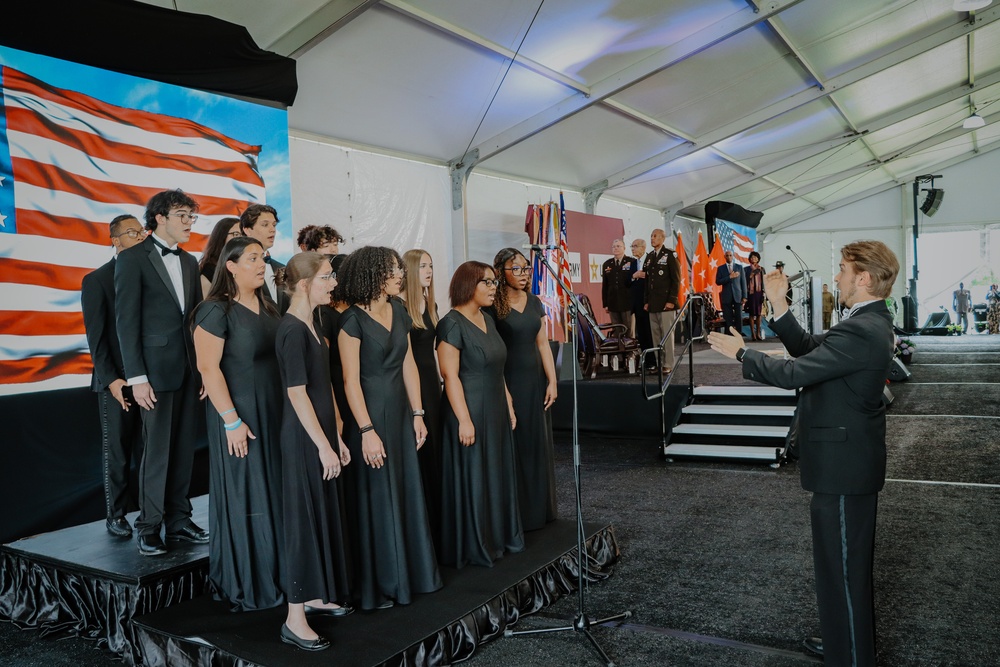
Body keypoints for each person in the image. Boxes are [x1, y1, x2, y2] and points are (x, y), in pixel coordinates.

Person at [708, 240, 900, 667]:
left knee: (844, 571)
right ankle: (842, 642)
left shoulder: (862, 328)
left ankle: (850, 656)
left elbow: (795, 372)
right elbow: (812, 350)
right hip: (845, 465)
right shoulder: (866, 323)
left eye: (844, 270)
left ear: (863, 278)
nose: (837, 277)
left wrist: (742, 353)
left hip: (845, 469)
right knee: (840, 570)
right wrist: (779, 306)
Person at [338, 246, 442, 610]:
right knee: (379, 499)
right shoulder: (350, 321)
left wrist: (418, 413)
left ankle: (412, 574)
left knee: (405, 491)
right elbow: (350, 382)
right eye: (394, 270)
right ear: (373, 275)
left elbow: (409, 363)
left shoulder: (398, 309)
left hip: (400, 414)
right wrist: (366, 430)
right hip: (370, 417)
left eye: (400, 269)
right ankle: (381, 583)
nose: (401, 275)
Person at [192, 236, 285, 611]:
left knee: (274, 492)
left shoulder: (269, 306)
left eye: (262, 257)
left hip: (274, 411)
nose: (262, 264)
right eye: (252, 258)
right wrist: (231, 421)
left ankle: (283, 576)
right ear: (230, 266)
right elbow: (207, 368)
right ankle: (251, 580)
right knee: (249, 492)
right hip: (240, 415)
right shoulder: (214, 310)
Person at [115, 189, 207, 556]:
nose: (188, 223)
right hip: (152, 374)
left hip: (188, 370)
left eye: (191, 217)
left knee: (184, 449)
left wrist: (202, 369)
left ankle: (179, 520)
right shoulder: (133, 259)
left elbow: (196, 320)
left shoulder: (188, 262)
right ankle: (149, 524)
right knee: (157, 452)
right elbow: (126, 322)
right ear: (160, 218)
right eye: (183, 215)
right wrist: (136, 377)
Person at [275, 252, 354, 651]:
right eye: (326, 277)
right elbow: (296, 393)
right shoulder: (290, 329)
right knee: (302, 524)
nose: (333, 283)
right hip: (303, 440)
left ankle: (314, 595)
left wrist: (336, 437)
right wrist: (322, 445)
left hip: (320, 436)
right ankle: (294, 619)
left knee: (320, 515)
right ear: (304, 284)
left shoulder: (314, 321)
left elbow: (323, 388)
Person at [437, 261, 524, 567]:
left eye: (494, 282)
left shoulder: (487, 318)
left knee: (495, 472)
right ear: (467, 285)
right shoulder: (450, 323)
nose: (493, 288)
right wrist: (463, 419)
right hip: (469, 407)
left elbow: (498, 369)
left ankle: (498, 537)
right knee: (474, 475)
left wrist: (509, 404)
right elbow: (450, 377)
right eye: (486, 283)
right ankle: (476, 544)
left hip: (495, 406)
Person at [81, 214, 146, 538]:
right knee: (118, 452)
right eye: (132, 233)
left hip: (147, 379)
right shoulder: (97, 280)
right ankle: (117, 515)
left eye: (142, 232)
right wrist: (113, 380)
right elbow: (97, 339)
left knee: (149, 452)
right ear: (116, 240)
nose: (140, 237)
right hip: (116, 382)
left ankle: (151, 514)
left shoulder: (150, 277)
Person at [491, 248, 558, 532]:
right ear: (501, 272)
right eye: (515, 269)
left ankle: (540, 510)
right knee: (516, 446)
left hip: (535, 380)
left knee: (536, 443)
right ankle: (519, 514)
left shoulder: (533, 301)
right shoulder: (493, 305)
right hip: (509, 380)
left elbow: (542, 343)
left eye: (525, 268)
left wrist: (553, 380)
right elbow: (493, 351)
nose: (522, 274)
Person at [400, 248, 444, 551]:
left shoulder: (431, 305)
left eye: (431, 265)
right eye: (423, 266)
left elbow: (434, 350)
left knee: (435, 451)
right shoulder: (399, 307)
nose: (428, 271)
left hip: (432, 381)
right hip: (410, 384)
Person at [643, 229, 681, 374]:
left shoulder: (670, 254)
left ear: (663, 238)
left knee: (667, 335)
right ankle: (659, 364)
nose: (652, 239)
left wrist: (672, 300)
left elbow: (676, 279)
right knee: (656, 335)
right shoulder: (650, 257)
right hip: (653, 303)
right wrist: (646, 301)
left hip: (666, 303)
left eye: (655, 236)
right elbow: (647, 281)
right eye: (651, 236)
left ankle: (668, 364)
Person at [240, 204, 287, 312]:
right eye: (265, 225)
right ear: (247, 230)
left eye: (274, 225)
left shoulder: (281, 268)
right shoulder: (237, 267)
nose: (273, 230)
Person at [198, 217, 241, 296]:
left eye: (243, 235)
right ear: (222, 236)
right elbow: (205, 304)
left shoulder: (244, 266)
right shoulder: (209, 270)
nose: (241, 239)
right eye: (236, 234)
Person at [601, 239, 636, 335]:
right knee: (617, 330)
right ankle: (619, 349)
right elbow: (605, 285)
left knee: (628, 329)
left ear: (624, 248)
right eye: (613, 246)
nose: (615, 248)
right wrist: (605, 303)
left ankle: (630, 350)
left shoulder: (632, 262)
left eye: (618, 246)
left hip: (627, 302)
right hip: (613, 303)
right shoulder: (607, 264)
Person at [630, 238, 654, 365]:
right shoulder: (633, 263)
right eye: (632, 246)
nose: (633, 248)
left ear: (643, 248)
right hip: (638, 304)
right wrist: (634, 276)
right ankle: (647, 361)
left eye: (635, 246)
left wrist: (645, 274)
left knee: (651, 333)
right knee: (642, 334)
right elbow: (627, 281)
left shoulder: (651, 259)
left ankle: (654, 360)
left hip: (650, 303)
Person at [715, 249, 746, 337]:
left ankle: (739, 334)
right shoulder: (721, 268)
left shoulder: (739, 267)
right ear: (724, 257)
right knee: (728, 317)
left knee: (738, 316)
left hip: (738, 295)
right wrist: (729, 277)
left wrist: (744, 296)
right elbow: (718, 281)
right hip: (726, 295)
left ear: (733, 256)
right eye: (727, 255)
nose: (729, 257)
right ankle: (729, 334)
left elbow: (743, 283)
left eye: (730, 255)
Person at [744, 251, 766, 341]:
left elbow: (764, 281)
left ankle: (758, 333)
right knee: (752, 313)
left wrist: (764, 293)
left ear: (758, 259)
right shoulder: (746, 269)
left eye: (755, 257)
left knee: (759, 313)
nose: (754, 259)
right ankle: (752, 333)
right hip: (751, 293)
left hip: (759, 292)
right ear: (750, 259)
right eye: (752, 257)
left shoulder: (762, 269)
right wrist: (751, 275)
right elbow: (744, 281)